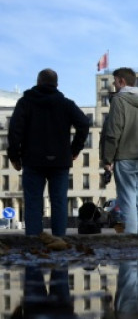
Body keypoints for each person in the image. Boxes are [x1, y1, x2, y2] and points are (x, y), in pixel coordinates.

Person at [7, 69, 90, 236]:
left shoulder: (25, 103)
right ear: (56, 85)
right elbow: (84, 124)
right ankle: (59, 239)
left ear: (38, 82)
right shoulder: (66, 104)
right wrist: (74, 150)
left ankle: (33, 242)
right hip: (60, 160)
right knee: (59, 202)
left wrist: (14, 156)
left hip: (32, 160)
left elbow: (15, 130)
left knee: (33, 202)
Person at [100, 67, 138, 234]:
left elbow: (113, 132)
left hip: (125, 158)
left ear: (121, 81)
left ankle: (132, 238)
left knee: (128, 200)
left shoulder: (119, 101)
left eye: (114, 82)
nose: (114, 85)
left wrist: (108, 159)